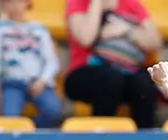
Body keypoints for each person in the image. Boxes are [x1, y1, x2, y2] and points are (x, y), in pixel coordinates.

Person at [64, 0, 162, 129]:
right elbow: (86, 39)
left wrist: (127, 30)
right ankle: (100, 137)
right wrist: (96, 4)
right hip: (86, 71)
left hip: (128, 70)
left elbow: (155, 42)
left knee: (143, 83)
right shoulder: (77, 3)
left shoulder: (131, 4)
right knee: (111, 79)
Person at [0, 0, 62, 128]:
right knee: (10, 118)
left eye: (20, 1)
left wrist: (42, 81)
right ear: (2, 5)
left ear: (27, 3)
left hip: (38, 83)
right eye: (10, 2)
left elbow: (52, 62)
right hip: (12, 83)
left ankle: (32, 133)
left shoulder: (39, 29)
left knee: (52, 110)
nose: (15, 6)